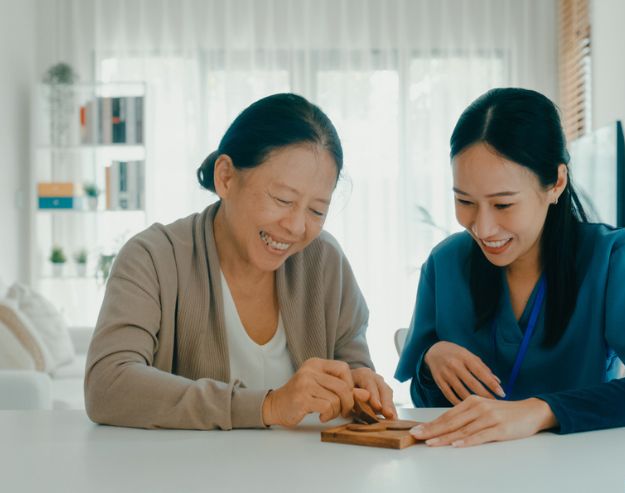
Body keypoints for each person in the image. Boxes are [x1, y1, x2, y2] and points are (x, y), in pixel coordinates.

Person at [395, 88, 625, 447]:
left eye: (503, 204)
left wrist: (541, 410)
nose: (483, 227)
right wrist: (431, 363)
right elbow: (426, 405)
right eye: (464, 201)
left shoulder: (609, 258)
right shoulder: (445, 263)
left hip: (579, 470)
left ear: (556, 182)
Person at [85, 93, 396, 430]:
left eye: (317, 210)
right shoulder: (152, 257)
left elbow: (352, 361)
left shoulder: (325, 261)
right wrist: (268, 405)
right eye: (283, 199)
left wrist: (361, 383)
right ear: (226, 178)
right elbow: (108, 384)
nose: (296, 227)